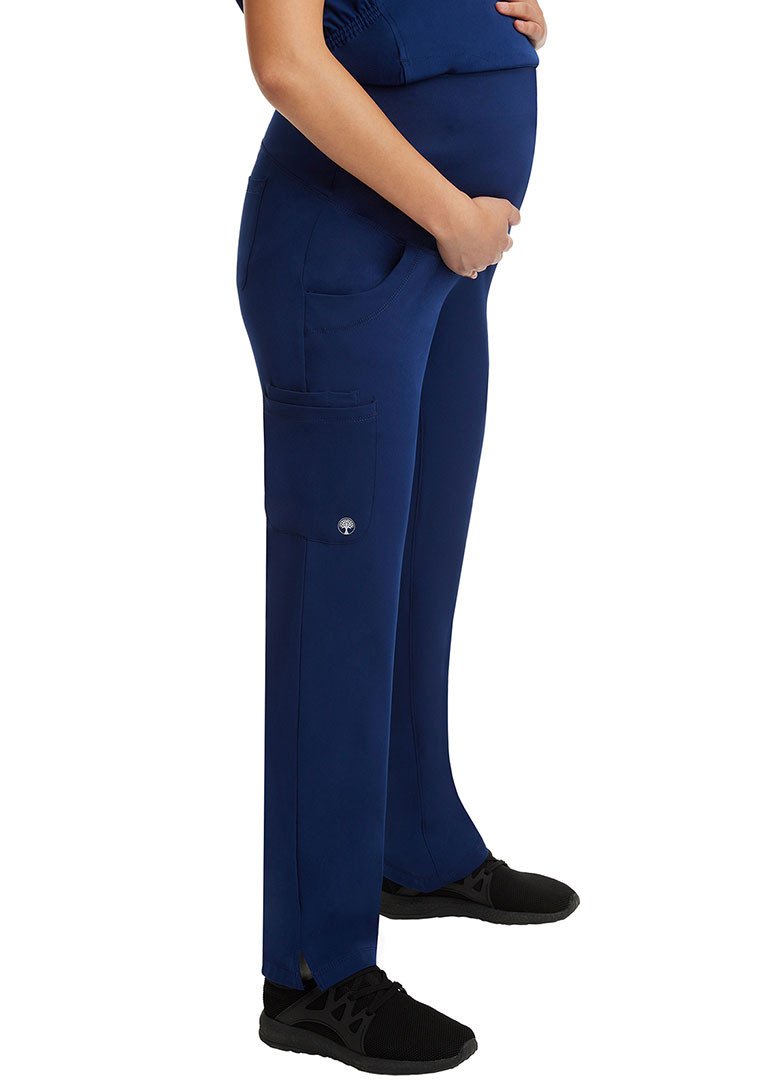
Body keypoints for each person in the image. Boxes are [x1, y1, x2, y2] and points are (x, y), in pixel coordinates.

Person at [235, 1, 576, 1071]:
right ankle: (314, 971)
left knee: (419, 574)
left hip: (444, 260)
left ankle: (418, 842)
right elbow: (289, 64)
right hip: (352, 255)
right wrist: (451, 214)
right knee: (336, 617)